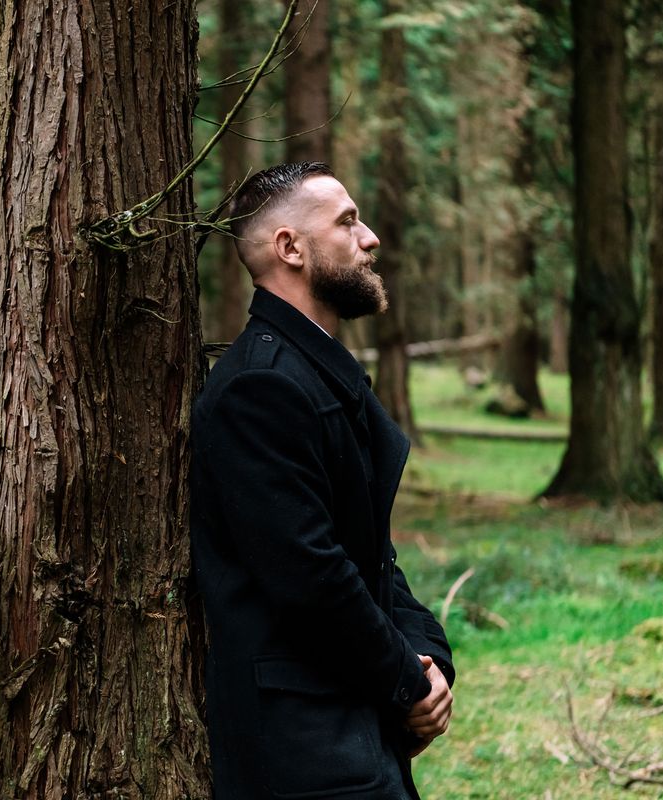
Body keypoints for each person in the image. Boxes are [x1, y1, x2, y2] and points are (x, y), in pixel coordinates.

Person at [190, 162, 454, 799]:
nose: (370, 238)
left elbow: (371, 556)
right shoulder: (261, 386)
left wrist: (428, 659)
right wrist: (405, 682)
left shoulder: (314, 373)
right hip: (302, 749)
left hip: (349, 723)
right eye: (348, 221)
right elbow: (311, 576)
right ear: (290, 248)